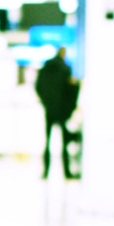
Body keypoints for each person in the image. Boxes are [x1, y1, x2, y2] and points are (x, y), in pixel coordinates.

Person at [35, 46, 79, 179]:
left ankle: (45, 172)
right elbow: (71, 91)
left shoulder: (45, 68)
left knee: (47, 141)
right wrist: (69, 107)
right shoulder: (66, 69)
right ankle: (67, 172)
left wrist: (45, 101)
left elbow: (38, 86)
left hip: (49, 109)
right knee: (64, 143)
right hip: (61, 110)